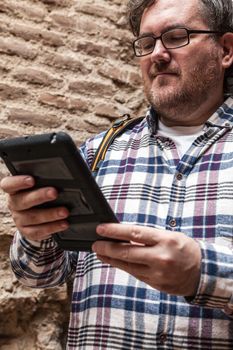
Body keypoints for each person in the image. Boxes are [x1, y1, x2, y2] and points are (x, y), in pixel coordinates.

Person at [1, 0, 233, 348]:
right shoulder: (98, 151)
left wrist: (206, 274)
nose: (157, 54)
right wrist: (36, 231)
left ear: (226, 49)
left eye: (175, 36)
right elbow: (40, 275)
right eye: (146, 42)